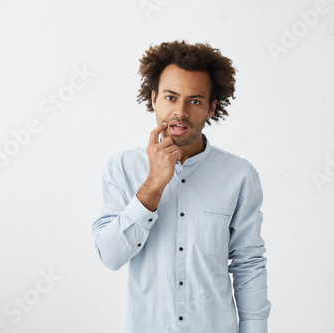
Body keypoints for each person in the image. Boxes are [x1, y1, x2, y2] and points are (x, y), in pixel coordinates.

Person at [92, 40, 271, 333]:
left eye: (195, 101)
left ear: (212, 107)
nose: (181, 111)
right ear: (153, 98)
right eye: (171, 97)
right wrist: (154, 184)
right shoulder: (122, 169)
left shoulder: (239, 176)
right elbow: (110, 256)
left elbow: (248, 263)